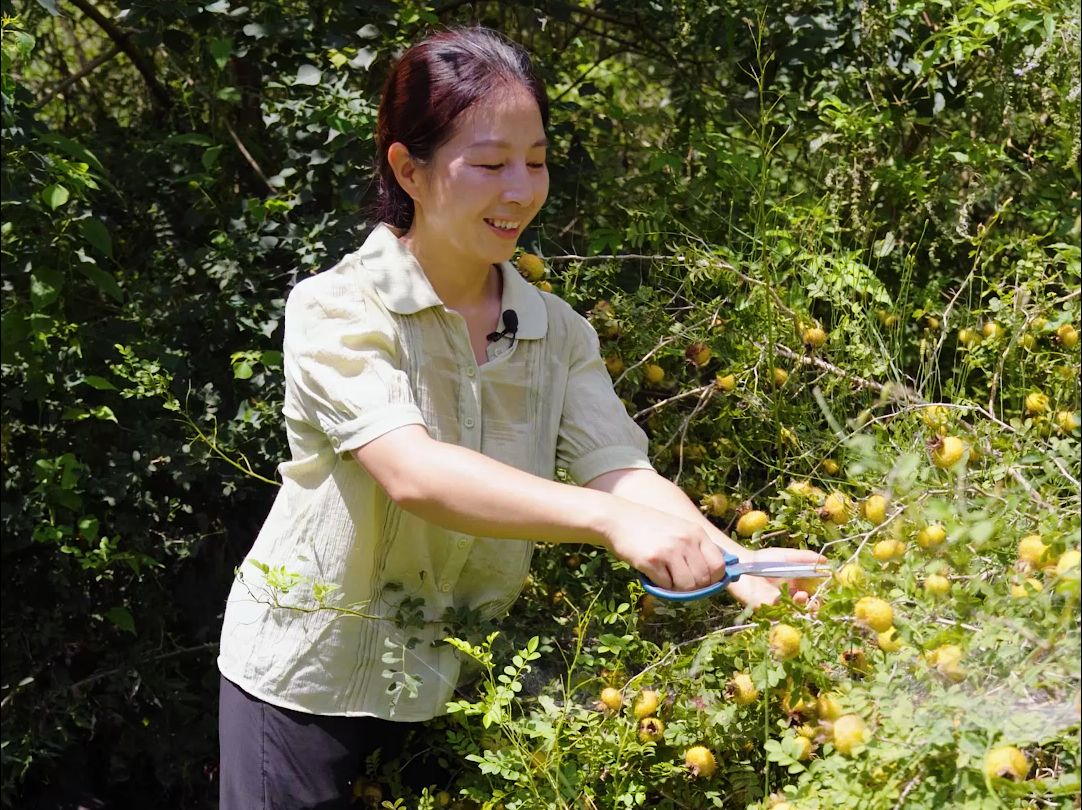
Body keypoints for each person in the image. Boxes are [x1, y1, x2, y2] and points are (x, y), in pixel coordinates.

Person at [217, 25, 824, 809]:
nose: (520, 190)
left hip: (455, 689)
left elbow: (621, 468)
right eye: (492, 163)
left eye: (535, 162)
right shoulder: (339, 307)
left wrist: (739, 562)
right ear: (410, 167)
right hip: (308, 686)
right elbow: (414, 472)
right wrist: (607, 523)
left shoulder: (557, 332)